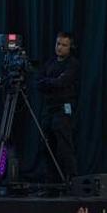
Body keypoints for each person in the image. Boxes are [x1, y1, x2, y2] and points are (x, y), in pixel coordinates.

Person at [37, 32, 80, 180]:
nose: (59, 47)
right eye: (58, 44)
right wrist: (52, 81)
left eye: (64, 45)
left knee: (64, 146)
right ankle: (51, 181)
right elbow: (38, 82)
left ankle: (71, 180)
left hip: (63, 109)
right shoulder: (49, 63)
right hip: (48, 110)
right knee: (46, 146)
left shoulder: (72, 64)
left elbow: (62, 82)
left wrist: (49, 82)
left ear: (70, 47)